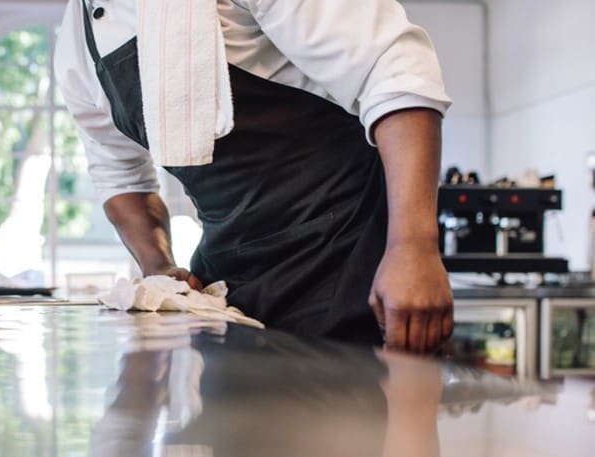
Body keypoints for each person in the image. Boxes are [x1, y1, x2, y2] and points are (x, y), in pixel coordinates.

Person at [54, 0, 454, 352]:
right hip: (228, 289)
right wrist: (159, 266)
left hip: (349, 259)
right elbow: (121, 179)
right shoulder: (76, 48)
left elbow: (394, 70)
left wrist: (413, 246)